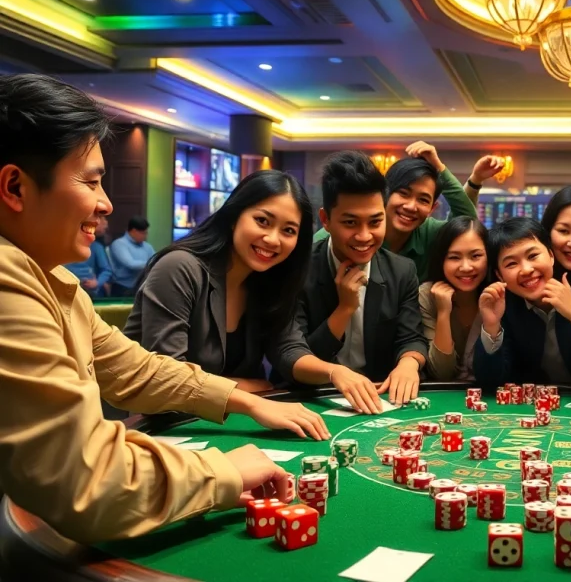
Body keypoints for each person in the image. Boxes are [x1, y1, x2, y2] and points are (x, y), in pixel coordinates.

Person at [0, 73, 323, 544]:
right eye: (91, 182)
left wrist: (250, 402)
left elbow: (139, 370)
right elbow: (87, 482)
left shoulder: (54, 277)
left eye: (289, 231)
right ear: (14, 187)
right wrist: (222, 471)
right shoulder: (8, 281)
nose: (107, 204)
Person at [123, 170, 361, 401]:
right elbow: (168, 378)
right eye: (262, 221)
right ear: (234, 217)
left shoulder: (269, 280)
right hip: (161, 424)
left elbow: (288, 349)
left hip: (232, 417)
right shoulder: (179, 268)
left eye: (288, 230)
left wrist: (334, 372)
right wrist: (241, 389)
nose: (272, 239)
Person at [297, 150, 428, 411]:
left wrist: (409, 363)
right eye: (350, 222)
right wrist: (345, 308)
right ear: (326, 220)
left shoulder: (401, 271)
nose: (364, 236)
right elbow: (294, 355)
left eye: (375, 221)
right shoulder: (298, 270)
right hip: (309, 399)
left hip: (378, 398)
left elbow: (411, 337)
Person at [474, 209, 571, 388]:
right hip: (532, 408)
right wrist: (491, 327)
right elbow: (490, 384)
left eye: (533, 256)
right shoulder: (503, 303)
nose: (527, 269)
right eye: (511, 264)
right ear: (499, 275)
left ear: (551, 256)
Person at [313, 143, 504, 281]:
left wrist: (440, 169)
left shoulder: (430, 233)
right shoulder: (342, 234)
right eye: (403, 194)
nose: (411, 206)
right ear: (385, 195)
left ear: (432, 209)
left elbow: (466, 222)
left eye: (423, 200)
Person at [419, 216, 488, 381]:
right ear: (441, 259)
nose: (465, 267)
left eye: (476, 256)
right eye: (454, 257)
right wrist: (443, 312)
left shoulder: (500, 293)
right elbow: (442, 373)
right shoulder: (427, 295)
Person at [64, 213, 112, 298]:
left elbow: (106, 270)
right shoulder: (63, 243)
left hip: (89, 291)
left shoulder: (96, 247)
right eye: (102, 219)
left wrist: (97, 282)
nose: (106, 224)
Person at [109, 214, 155, 296]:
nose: (145, 236)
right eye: (143, 233)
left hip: (142, 287)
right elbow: (131, 264)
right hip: (122, 288)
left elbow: (156, 260)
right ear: (133, 231)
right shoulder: (119, 244)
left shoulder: (147, 246)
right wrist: (151, 263)